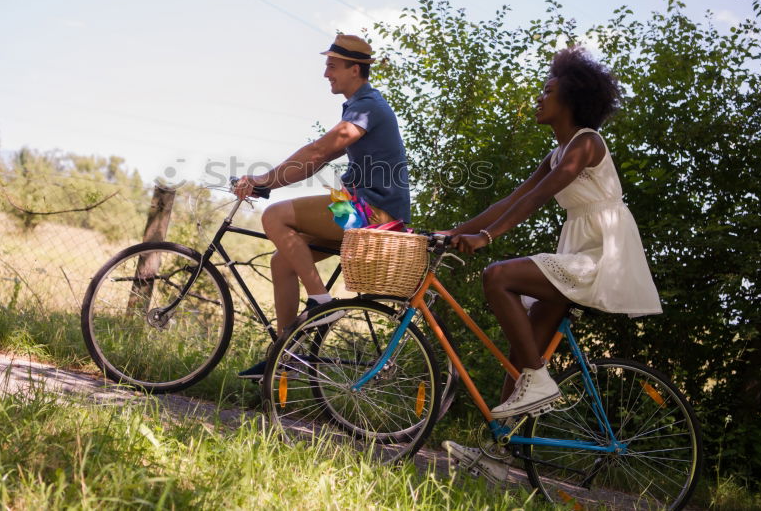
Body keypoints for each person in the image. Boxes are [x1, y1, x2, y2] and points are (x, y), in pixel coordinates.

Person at [441, 47, 661, 475]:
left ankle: (541, 382)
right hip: (576, 253)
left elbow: (546, 192)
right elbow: (516, 197)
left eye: (548, 91)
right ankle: (499, 455)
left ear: (571, 99)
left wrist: (487, 237)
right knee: (522, 358)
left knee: (498, 276)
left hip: (601, 257)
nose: (539, 98)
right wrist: (452, 233)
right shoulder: (557, 152)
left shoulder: (587, 143)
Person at [232, 34, 411, 379]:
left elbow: (317, 151)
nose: (326, 73)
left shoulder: (368, 106)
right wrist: (268, 182)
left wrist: (263, 181)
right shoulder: (360, 107)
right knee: (283, 261)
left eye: (332, 66)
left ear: (354, 69)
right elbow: (315, 162)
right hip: (364, 209)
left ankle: (321, 302)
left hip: (373, 214)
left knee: (275, 216)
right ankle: (285, 358)